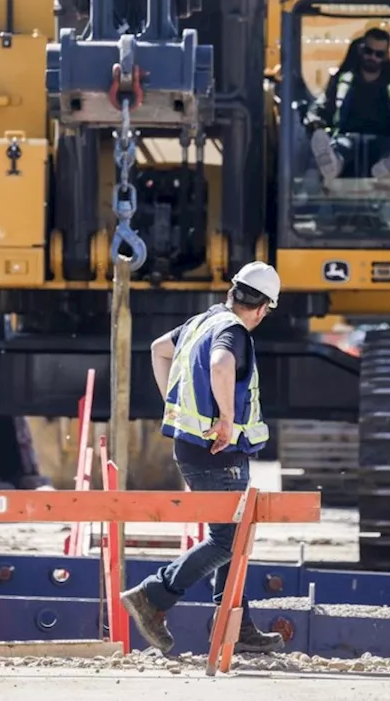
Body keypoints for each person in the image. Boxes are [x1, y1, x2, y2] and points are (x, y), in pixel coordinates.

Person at [119, 261, 286, 656]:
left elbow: (160, 350)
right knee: (228, 539)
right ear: (263, 308)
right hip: (217, 453)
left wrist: (175, 405)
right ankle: (155, 595)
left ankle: (236, 624)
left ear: (233, 292)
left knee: (236, 535)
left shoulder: (201, 323)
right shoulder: (233, 332)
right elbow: (221, 364)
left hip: (194, 448)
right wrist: (226, 418)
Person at [305, 27, 390, 181]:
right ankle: (332, 164)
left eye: (378, 54)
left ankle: (387, 167)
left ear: (386, 56)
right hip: (347, 135)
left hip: (385, 138)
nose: (372, 57)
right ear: (361, 50)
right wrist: (314, 120)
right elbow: (324, 105)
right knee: (340, 147)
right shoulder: (343, 79)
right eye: (368, 51)